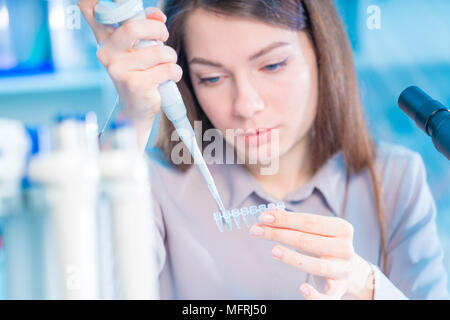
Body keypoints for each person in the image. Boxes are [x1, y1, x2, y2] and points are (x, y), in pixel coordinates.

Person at [79, 0, 449, 299]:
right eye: (212, 77)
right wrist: (131, 118)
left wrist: (366, 285)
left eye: (272, 65)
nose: (246, 104)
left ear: (323, 54)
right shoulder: (152, 183)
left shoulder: (396, 179)